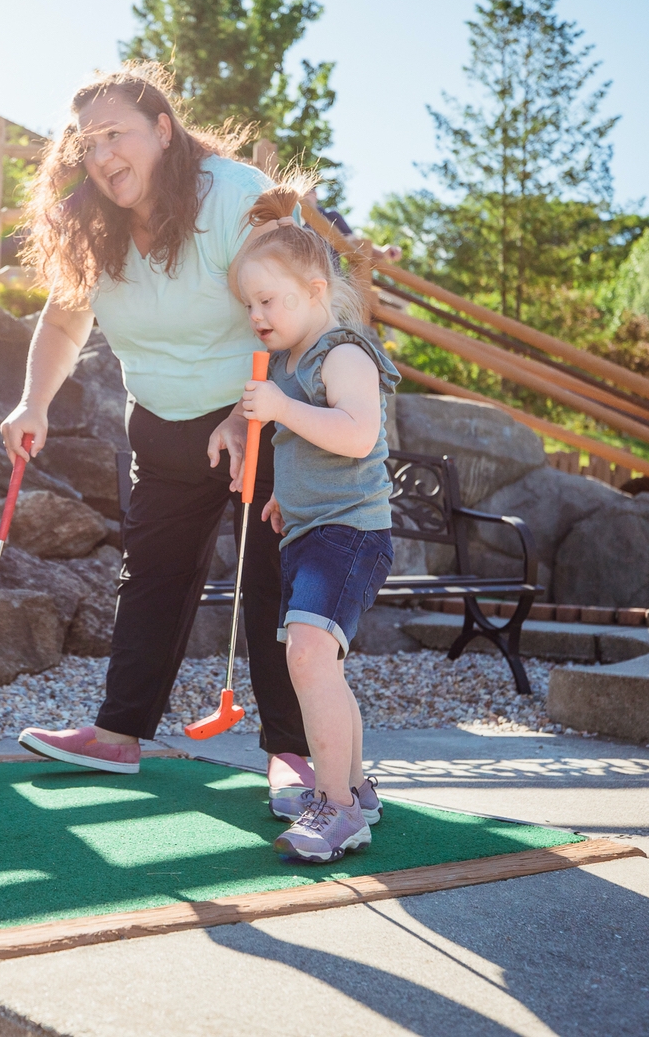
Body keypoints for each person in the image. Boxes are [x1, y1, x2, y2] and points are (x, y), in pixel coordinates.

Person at [1, 61, 312, 793]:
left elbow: (297, 305)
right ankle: (118, 735)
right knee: (151, 577)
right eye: (88, 143)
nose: (102, 154)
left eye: (116, 133)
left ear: (164, 131)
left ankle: (293, 756)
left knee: (270, 578)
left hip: (263, 410)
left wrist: (246, 413)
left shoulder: (234, 196)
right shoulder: (92, 224)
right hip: (164, 421)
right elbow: (65, 319)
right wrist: (32, 402)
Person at [228, 180, 400, 863]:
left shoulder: (343, 353)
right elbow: (315, 452)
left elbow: (357, 435)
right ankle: (353, 789)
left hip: (350, 535)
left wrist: (277, 407)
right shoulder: (295, 367)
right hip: (313, 529)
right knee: (321, 665)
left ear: (316, 290)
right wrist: (285, 497)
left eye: (270, 300)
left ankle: (334, 809)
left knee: (306, 657)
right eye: (249, 304)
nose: (257, 315)